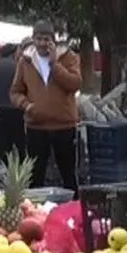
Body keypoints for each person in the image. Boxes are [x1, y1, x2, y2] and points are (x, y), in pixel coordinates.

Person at [11, 19, 82, 189]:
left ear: (53, 41)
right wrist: (26, 105)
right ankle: (36, 211)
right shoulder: (25, 61)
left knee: (68, 174)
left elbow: (75, 83)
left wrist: (54, 64)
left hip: (64, 125)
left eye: (46, 39)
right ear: (33, 40)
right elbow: (15, 91)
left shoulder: (69, 57)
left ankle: (72, 209)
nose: (42, 43)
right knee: (36, 176)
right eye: (39, 39)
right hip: (37, 127)